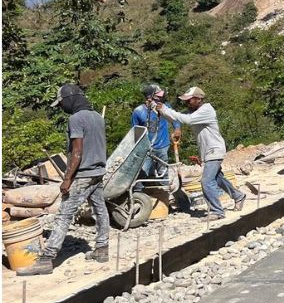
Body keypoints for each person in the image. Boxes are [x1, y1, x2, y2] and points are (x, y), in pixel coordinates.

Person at [19, 84, 111, 276]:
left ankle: (46, 259)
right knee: (100, 209)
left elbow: (77, 151)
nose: (61, 107)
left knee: (64, 214)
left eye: (61, 103)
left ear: (70, 99)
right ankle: (102, 249)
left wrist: (67, 179)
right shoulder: (97, 117)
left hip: (82, 175)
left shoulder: (76, 119)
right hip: (98, 172)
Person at [156, 87, 244, 221]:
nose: (187, 103)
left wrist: (164, 109)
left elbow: (187, 120)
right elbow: (176, 117)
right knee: (217, 178)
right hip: (208, 151)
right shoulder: (196, 112)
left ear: (199, 99)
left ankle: (217, 211)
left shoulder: (206, 110)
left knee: (206, 181)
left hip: (214, 150)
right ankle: (238, 196)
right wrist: (160, 109)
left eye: (189, 100)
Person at [131, 83, 181, 183]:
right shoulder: (138, 112)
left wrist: (177, 129)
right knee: (143, 173)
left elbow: (175, 118)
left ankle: (165, 190)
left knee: (163, 172)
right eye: (158, 96)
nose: (161, 98)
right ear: (149, 97)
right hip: (146, 149)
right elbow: (135, 132)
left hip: (162, 146)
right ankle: (140, 191)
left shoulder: (164, 107)